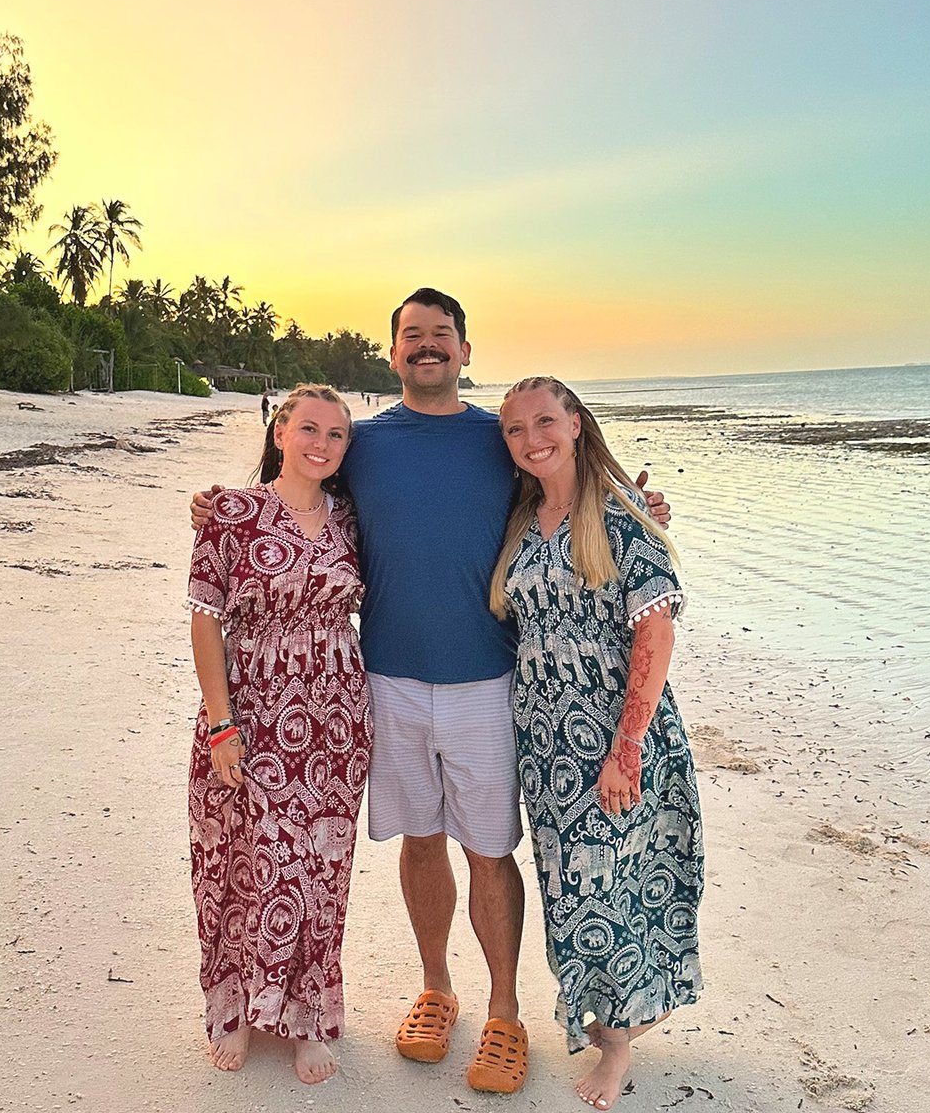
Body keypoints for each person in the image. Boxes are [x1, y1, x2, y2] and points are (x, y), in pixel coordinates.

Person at [190, 289, 672, 1094]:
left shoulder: (502, 437)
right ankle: (436, 988)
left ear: (465, 350)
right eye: (411, 337)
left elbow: (568, 490)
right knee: (419, 841)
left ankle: (505, 1013)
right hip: (385, 678)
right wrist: (213, 505)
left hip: (489, 676)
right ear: (392, 354)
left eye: (440, 336)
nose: (426, 348)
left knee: (491, 848)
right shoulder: (366, 443)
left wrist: (641, 505)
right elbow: (297, 496)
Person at [490, 376, 703, 1112]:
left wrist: (627, 748)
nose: (531, 439)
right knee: (573, 890)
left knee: (618, 889)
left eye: (545, 421)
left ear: (576, 424)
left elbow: (657, 628)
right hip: (546, 747)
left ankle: (616, 1044)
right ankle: (604, 1018)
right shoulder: (522, 517)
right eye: (515, 430)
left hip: (616, 738)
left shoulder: (620, 514)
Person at [187, 383, 371, 1085]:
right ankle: (233, 1007)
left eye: (336, 435)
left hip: (336, 718)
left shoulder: (353, 519)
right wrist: (222, 724)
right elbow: (205, 618)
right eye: (309, 430)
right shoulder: (232, 512)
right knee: (241, 857)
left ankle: (308, 1018)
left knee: (319, 869)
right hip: (252, 708)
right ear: (279, 432)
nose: (321, 444)